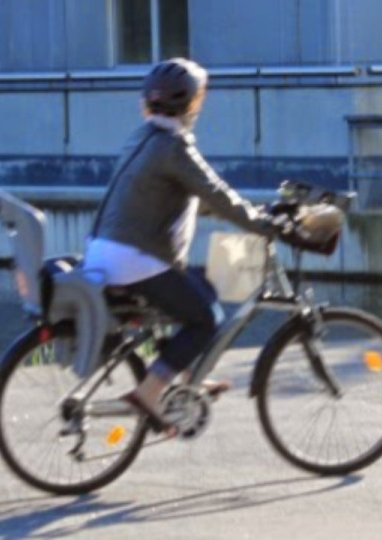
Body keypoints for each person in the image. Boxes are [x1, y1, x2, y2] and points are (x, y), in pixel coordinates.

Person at [83, 57, 282, 435]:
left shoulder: (143, 139)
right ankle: (150, 391)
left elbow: (191, 196)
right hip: (136, 259)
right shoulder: (174, 147)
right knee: (207, 319)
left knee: (205, 285)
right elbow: (217, 194)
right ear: (193, 103)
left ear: (148, 103)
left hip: (107, 251)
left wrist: (245, 214)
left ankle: (188, 376)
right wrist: (263, 224)